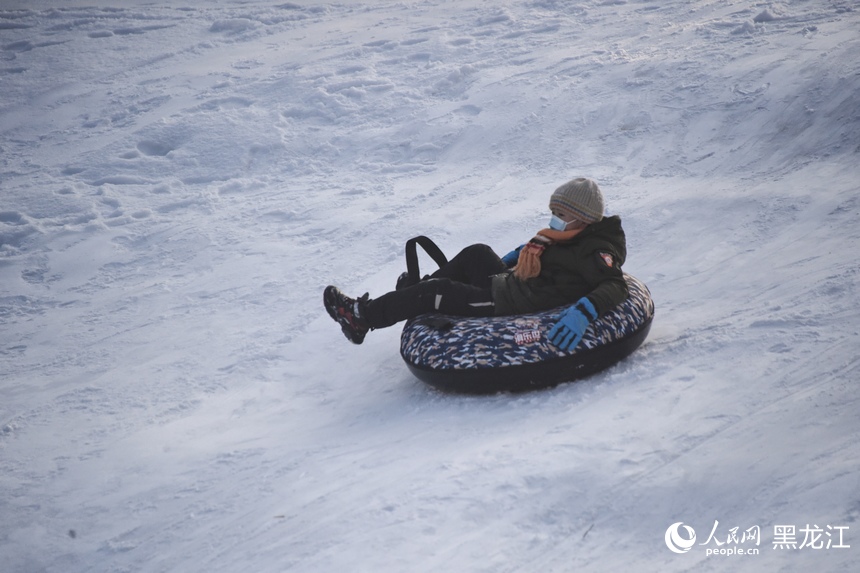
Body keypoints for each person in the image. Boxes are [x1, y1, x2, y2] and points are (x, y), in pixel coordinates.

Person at [324, 177, 628, 351]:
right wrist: (511, 259)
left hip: (513, 304)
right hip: (514, 285)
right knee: (477, 252)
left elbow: (615, 284)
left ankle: (361, 318)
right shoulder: (569, 235)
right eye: (554, 212)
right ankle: (413, 293)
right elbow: (548, 254)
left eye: (561, 215)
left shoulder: (594, 252)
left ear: (583, 219)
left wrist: (583, 313)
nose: (554, 220)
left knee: (437, 292)